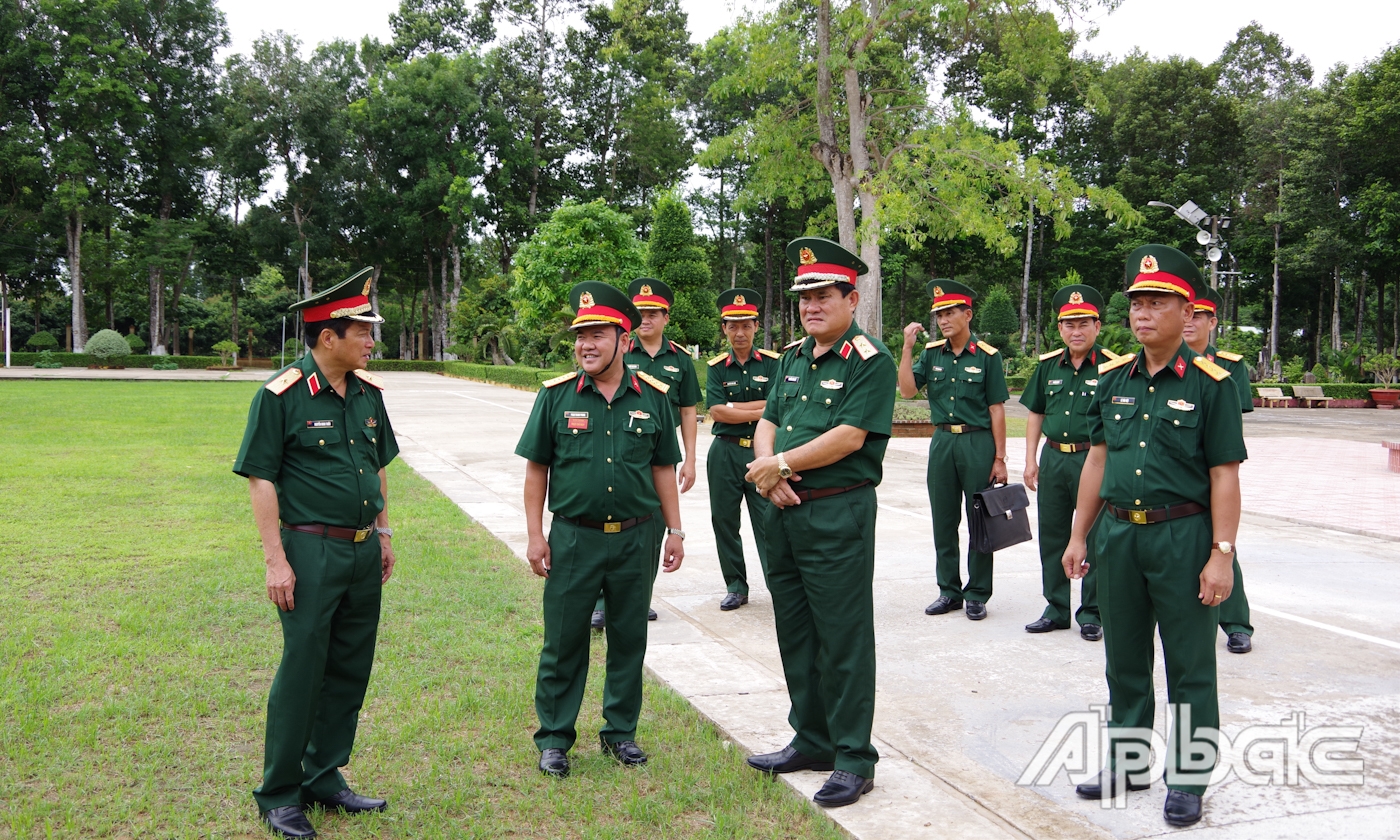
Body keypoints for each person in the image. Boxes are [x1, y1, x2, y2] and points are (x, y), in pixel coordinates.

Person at [1062, 245, 1245, 828]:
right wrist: (1078, 536)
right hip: (1119, 535)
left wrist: (1222, 556)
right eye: (1137, 304)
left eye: (1158, 303)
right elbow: (1096, 461)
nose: (1143, 314)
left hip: (1183, 536)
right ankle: (1128, 759)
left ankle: (1189, 777)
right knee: (1124, 659)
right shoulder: (1112, 378)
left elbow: (1224, 475)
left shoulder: (1213, 384)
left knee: (1190, 663)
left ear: (1186, 311)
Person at [233, 268, 398, 839]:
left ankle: (323, 775)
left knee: (349, 666)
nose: (373, 341)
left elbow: (376, 467)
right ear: (329, 335)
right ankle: (279, 792)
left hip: (359, 553)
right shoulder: (280, 396)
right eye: (364, 331)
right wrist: (276, 560)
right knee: (303, 670)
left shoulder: (369, 395)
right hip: (309, 551)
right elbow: (260, 478)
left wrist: (383, 531)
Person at [743, 237, 897, 809]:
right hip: (780, 510)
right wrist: (768, 473)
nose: (811, 306)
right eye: (804, 297)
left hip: (837, 512)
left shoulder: (870, 361)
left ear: (851, 299)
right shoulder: (792, 356)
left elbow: (850, 437)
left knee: (843, 638)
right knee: (797, 632)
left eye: (823, 295)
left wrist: (779, 463)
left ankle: (854, 757)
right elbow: (769, 419)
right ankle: (812, 740)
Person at [515, 281, 686, 780]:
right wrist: (534, 534)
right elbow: (536, 472)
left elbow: (663, 469)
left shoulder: (654, 398)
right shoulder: (555, 396)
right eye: (580, 334)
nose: (585, 344)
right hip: (573, 536)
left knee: (629, 638)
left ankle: (619, 733)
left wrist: (674, 529)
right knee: (564, 640)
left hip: (638, 535)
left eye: (596, 333)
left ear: (624, 340)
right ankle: (554, 739)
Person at [591, 278, 700, 629]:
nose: (647, 319)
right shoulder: (620, 350)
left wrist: (691, 458)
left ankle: (640, 595)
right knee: (605, 519)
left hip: (658, 456)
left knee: (651, 525)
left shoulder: (680, 359)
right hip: (620, 450)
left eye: (654, 313)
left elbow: (687, 410)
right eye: (642, 313)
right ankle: (599, 602)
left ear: (666, 317)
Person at [898, 280, 1009, 621]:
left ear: (968, 314)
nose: (943, 320)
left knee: (980, 520)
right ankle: (949, 591)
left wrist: (1000, 458)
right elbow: (906, 392)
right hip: (943, 442)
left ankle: (977, 593)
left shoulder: (988, 357)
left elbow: (996, 409)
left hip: (978, 442)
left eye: (949, 313)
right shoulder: (931, 354)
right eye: (939, 315)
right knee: (943, 520)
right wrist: (906, 348)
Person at [1020, 284, 1118, 641]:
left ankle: (1091, 612)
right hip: (1054, 459)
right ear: (1059, 329)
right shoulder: (1048, 367)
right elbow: (1036, 414)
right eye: (1069, 325)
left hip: (1094, 460)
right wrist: (1031, 460)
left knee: (1094, 535)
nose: (1076, 332)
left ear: (1097, 326)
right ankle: (1056, 608)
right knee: (1053, 534)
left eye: (1083, 324)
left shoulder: (1113, 368)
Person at [1183, 287, 1255, 655]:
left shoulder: (1229, 366)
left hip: (1213, 468)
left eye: (1199, 316)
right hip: (1175, 473)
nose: (1190, 322)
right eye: (1187, 313)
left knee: (1222, 546)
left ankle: (1237, 623)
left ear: (1211, 322)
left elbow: (1231, 424)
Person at [704, 288, 782, 610]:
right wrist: (760, 409)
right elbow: (717, 411)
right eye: (732, 326)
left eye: (746, 325)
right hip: (724, 452)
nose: (740, 332)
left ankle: (779, 586)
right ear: (724, 328)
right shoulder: (717, 366)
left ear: (756, 326)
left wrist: (736, 406)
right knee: (724, 521)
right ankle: (736, 585)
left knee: (769, 523)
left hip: (761, 453)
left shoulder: (774, 364)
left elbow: (780, 406)